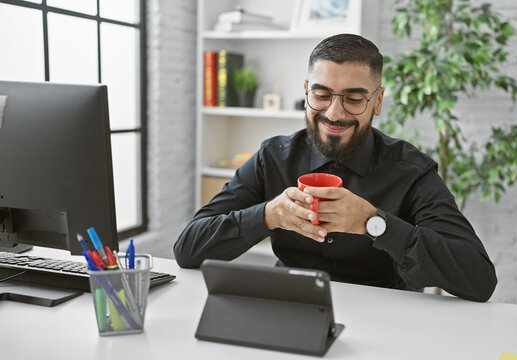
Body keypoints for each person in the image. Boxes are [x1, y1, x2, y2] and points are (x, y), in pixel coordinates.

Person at [174, 34, 497, 302]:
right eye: (322, 94)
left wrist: (375, 224)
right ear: (306, 92)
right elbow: (188, 250)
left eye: (354, 99)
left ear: (378, 100)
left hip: (387, 318)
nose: (334, 113)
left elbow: (479, 280)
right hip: (288, 306)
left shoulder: (411, 171)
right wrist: (269, 215)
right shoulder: (272, 157)